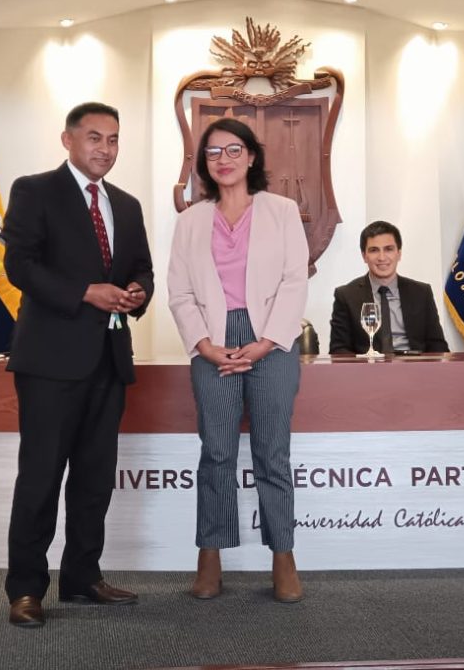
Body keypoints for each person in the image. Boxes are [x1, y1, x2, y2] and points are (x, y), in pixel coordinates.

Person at [2, 102, 154, 628]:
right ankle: (25, 589)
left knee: (95, 479)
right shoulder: (34, 190)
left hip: (109, 361)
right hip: (48, 361)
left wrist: (138, 292)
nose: (105, 149)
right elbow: (19, 264)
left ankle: (82, 578)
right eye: (94, 138)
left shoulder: (128, 205)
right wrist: (85, 292)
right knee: (41, 477)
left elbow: (143, 269)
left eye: (113, 139)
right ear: (68, 140)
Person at [168, 117, 309, 603]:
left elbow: (295, 282)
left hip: (271, 342)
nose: (223, 160)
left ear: (251, 157)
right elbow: (180, 293)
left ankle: (283, 556)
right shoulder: (190, 221)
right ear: (203, 164)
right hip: (213, 341)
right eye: (212, 153)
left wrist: (267, 341)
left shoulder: (282, 211)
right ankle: (210, 554)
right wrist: (205, 345)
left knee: (272, 453)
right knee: (217, 454)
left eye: (233, 150)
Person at [329, 220, 449, 355]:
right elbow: (339, 349)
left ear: (399, 253)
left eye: (388, 249)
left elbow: (438, 346)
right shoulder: (346, 295)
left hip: (414, 369)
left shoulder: (421, 293)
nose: (382, 257)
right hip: (368, 371)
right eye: (374, 250)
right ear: (364, 256)